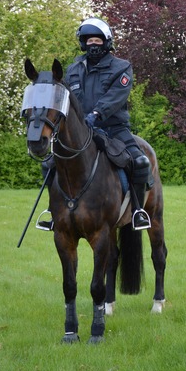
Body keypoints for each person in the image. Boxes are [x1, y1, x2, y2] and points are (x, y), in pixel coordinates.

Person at [38, 17, 151, 231]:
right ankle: (53, 212)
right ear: (82, 43)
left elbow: (117, 96)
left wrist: (97, 113)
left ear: (106, 42)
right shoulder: (73, 69)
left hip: (114, 128)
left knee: (141, 162)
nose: (92, 44)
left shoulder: (122, 67)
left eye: (97, 40)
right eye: (88, 40)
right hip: (81, 131)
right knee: (48, 164)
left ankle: (137, 211)